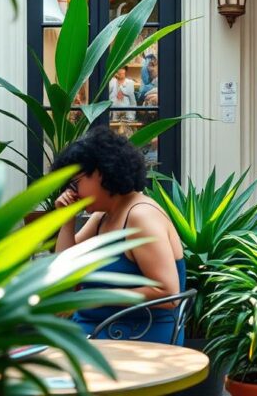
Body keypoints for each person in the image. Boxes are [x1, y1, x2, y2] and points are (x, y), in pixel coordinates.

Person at [52, 127, 186, 344]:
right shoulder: (102, 216)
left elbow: (168, 292)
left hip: (135, 337)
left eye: (75, 183)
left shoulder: (141, 216)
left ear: (102, 172)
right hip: (96, 333)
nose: (72, 192)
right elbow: (64, 271)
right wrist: (67, 221)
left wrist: (97, 298)